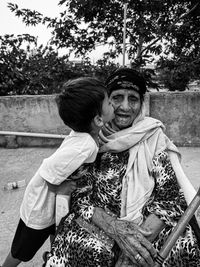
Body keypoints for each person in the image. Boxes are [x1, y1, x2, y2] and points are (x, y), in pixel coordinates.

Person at [44, 68, 200, 267]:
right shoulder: (88, 138)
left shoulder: (153, 136)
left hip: (149, 224)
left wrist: (137, 245)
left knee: (181, 247)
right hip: (101, 222)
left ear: (141, 104)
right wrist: (115, 228)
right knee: (86, 248)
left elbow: (169, 199)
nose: (125, 107)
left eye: (133, 99)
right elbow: (79, 198)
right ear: (106, 102)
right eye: (117, 97)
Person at [2, 77, 114, 267]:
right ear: (97, 119)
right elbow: (48, 168)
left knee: (56, 232)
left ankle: (54, 258)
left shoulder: (86, 134)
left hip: (52, 202)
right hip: (40, 207)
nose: (113, 104)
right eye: (109, 102)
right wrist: (59, 185)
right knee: (23, 249)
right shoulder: (84, 145)